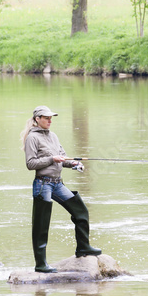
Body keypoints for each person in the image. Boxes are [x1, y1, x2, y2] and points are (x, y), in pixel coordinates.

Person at [22, 104, 102, 273]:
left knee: (80, 211)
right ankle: (41, 264)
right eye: (47, 118)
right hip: (43, 184)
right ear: (38, 119)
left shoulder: (53, 136)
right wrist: (52, 159)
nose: (50, 121)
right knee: (41, 225)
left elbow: (62, 158)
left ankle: (83, 247)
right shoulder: (32, 138)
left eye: (51, 118)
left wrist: (73, 163)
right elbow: (31, 164)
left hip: (57, 183)